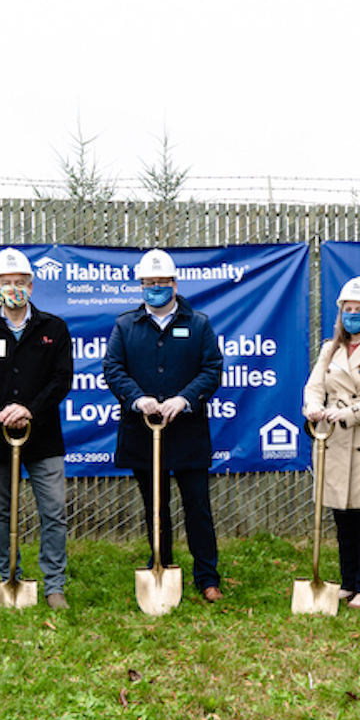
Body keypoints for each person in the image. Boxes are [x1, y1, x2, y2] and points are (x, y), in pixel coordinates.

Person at [104, 249, 226, 603]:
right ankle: (161, 563)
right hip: (143, 431)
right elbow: (113, 369)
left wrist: (183, 399)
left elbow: (212, 369)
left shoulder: (199, 323)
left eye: (162, 283)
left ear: (175, 283)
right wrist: (138, 399)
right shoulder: (125, 325)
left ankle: (207, 577)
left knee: (197, 507)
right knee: (154, 506)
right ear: (141, 285)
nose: (155, 288)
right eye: (149, 283)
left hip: (187, 431)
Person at [0, 249, 75, 608]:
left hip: (44, 438)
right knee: (1, 513)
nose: (13, 288)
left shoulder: (53, 329)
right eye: (6, 283)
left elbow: (61, 379)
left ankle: (54, 585)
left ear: (31, 286)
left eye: (20, 283)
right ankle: (9, 576)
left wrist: (30, 410)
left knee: (53, 511)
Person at [303, 276, 360, 608]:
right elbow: (315, 385)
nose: (353, 315)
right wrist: (314, 409)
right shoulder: (330, 348)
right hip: (334, 440)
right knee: (341, 515)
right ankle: (347, 580)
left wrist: (346, 413)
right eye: (348, 309)